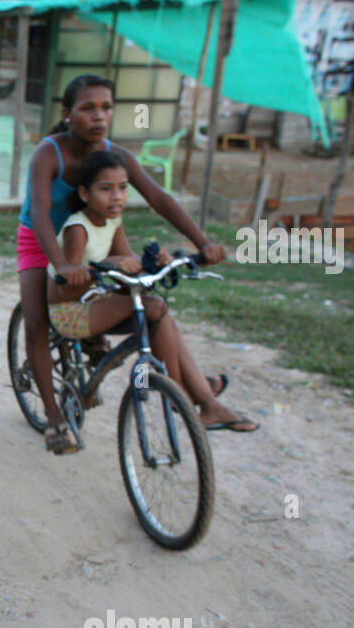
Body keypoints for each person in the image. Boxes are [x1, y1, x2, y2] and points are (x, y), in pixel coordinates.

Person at [19, 73, 230, 453]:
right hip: (43, 239)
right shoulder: (49, 153)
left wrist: (202, 242)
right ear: (68, 114)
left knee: (148, 303)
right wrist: (62, 266)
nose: (99, 116)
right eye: (88, 108)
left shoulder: (117, 158)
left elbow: (160, 199)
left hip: (95, 239)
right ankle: (53, 418)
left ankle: (190, 391)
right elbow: (39, 211)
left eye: (106, 108)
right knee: (37, 321)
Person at [53, 150, 257, 432]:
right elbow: (70, 284)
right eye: (106, 189)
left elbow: (129, 267)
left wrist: (154, 261)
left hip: (100, 303)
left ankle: (206, 402)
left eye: (123, 188)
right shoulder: (78, 228)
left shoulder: (113, 221)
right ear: (85, 194)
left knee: (161, 315)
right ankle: (182, 396)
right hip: (71, 310)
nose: (117, 197)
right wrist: (108, 265)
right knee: (156, 307)